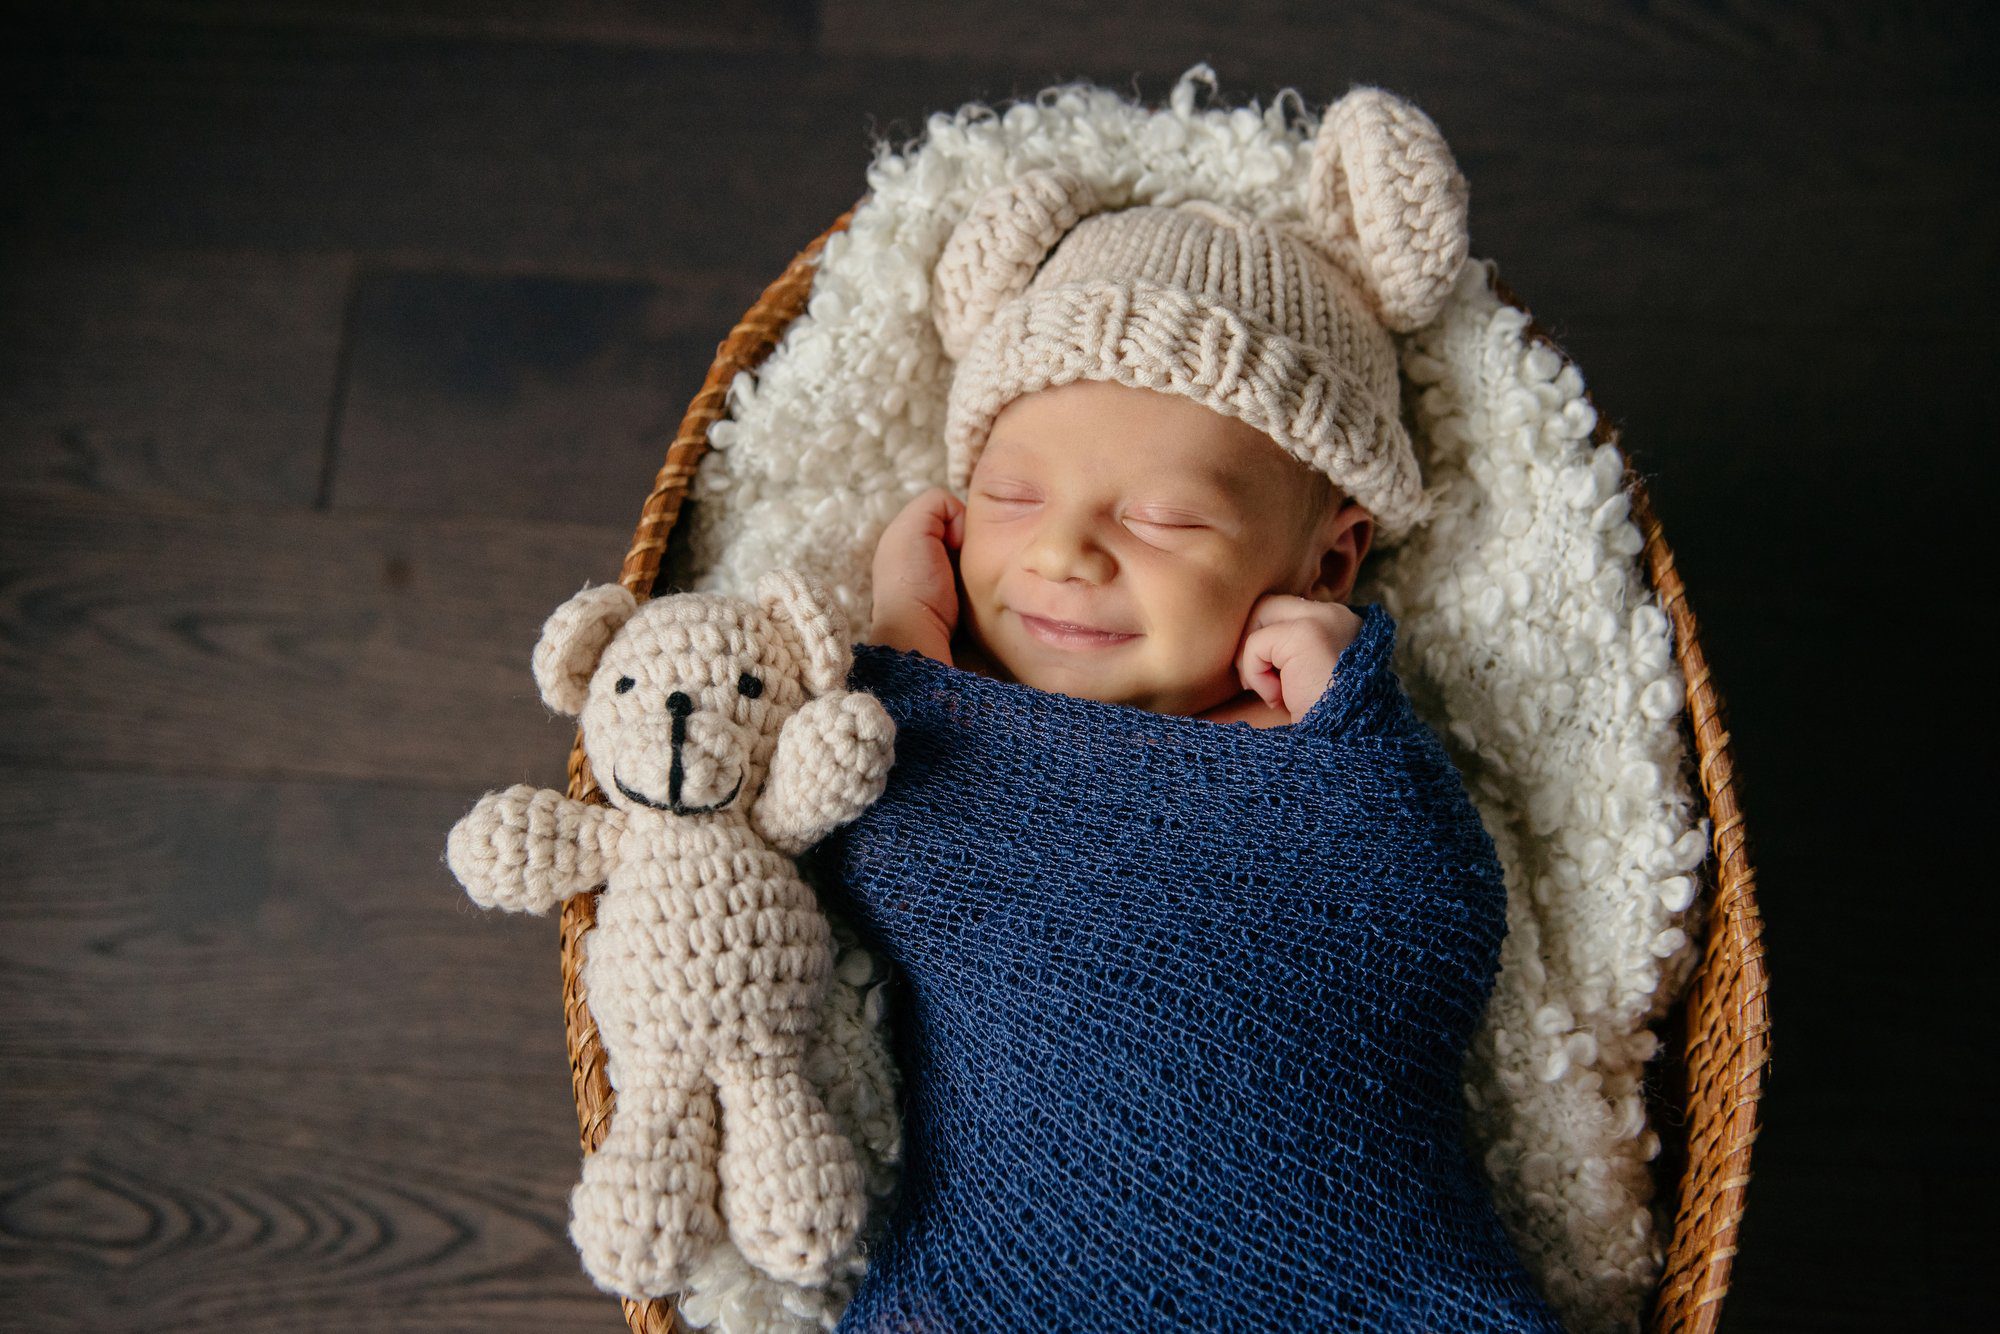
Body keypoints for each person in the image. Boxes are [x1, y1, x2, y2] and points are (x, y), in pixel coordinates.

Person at [805, 93, 1565, 1333]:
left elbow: (1435, 928)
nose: (1060, 552)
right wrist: (903, 638)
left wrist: (1358, 729)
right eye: (1006, 494)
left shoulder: (1318, 753)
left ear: (1327, 562)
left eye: (1163, 518)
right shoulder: (955, 730)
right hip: (999, 1285)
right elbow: (878, 859)